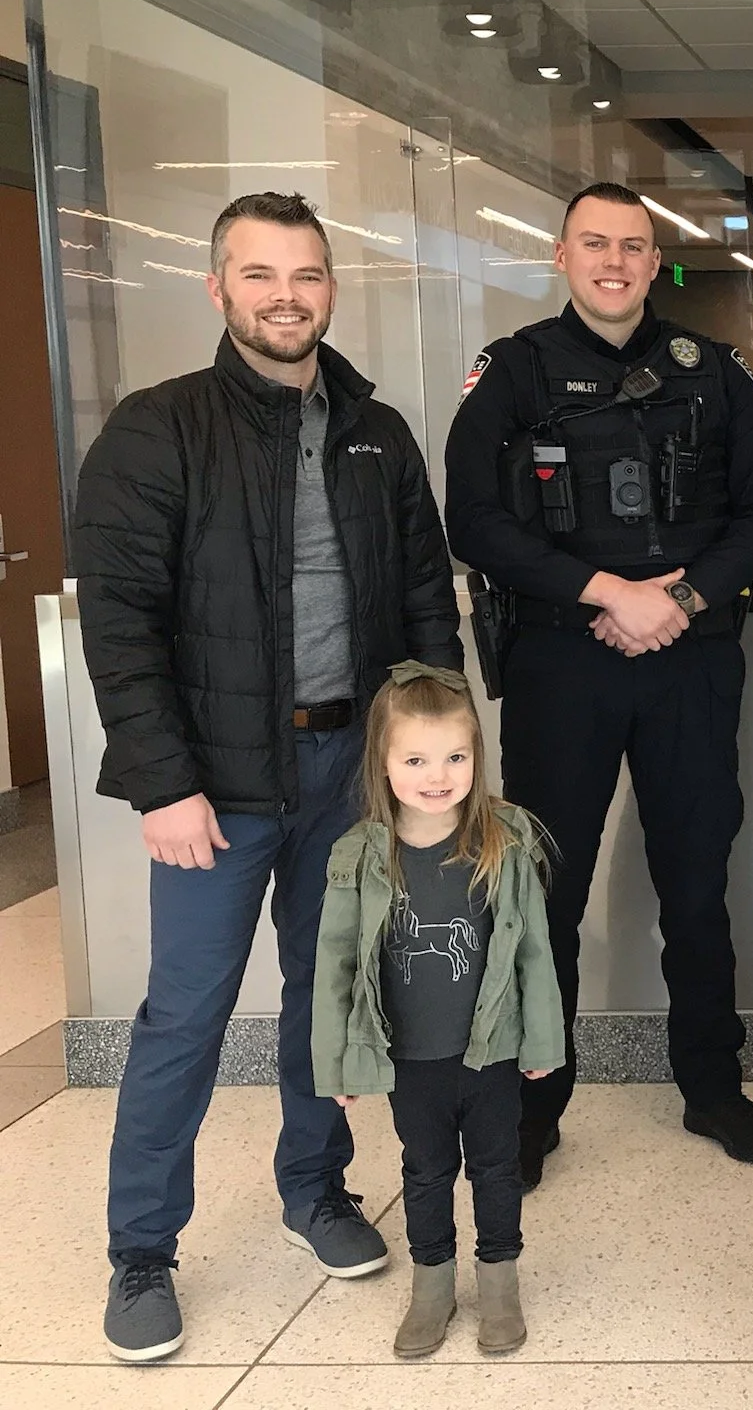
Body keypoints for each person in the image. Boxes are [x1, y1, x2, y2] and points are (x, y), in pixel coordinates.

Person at [74, 192, 463, 1362]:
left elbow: (424, 603)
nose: (286, 296)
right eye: (259, 275)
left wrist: (426, 766)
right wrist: (162, 783)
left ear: (331, 286)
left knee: (328, 994)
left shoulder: (376, 431)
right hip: (216, 782)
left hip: (352, 769)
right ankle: (141, 1251)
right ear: (217, 288)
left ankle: (315, 1191)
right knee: (182, 1018)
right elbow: (123, 625)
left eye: (306, 274)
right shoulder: (157, 429)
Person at [443, 181, 753, 1187]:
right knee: (543, 890)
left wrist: (675, 599)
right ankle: (532, 1102)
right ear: (561, 256)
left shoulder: (714, 372)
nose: (614, 260)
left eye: (634, 246)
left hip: (688, 659)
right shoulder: (512, 372)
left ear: (656, 262)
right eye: (594, 243)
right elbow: (474, 521)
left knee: (696, 880)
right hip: (561, 662)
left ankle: (711, 1087)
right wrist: (606, 589)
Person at [313, 662, 565, 1357]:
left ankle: (499, 1286)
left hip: (489, 1052)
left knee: (495, 1168)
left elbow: (535, 951)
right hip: (410, 1061)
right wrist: (339, 1060)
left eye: (455, 756)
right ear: (384, 763)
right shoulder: (359, 856)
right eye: (416, 758)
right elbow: (335, 967)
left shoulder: (503, 839)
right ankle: (432, 1285)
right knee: (424, 1172)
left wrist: (542, 1042)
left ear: (476, 755)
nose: (438, 774)